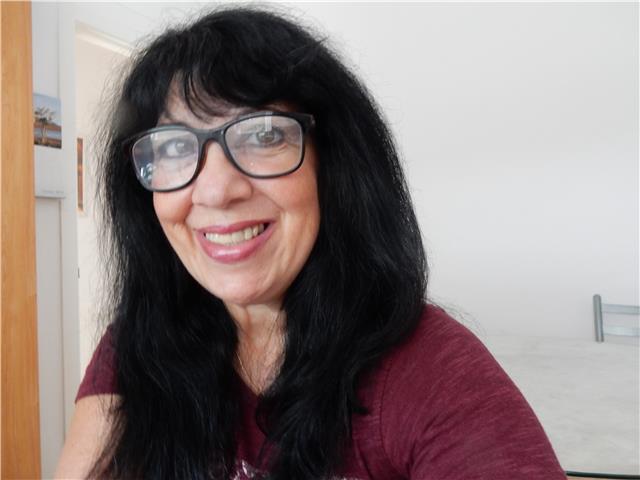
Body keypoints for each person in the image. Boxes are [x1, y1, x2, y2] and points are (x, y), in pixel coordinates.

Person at [55, 6, 566, 480]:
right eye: (171, 147)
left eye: (263, 136)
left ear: (332, 163)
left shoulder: (430, 372)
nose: (215, 190)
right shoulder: (142, 342)